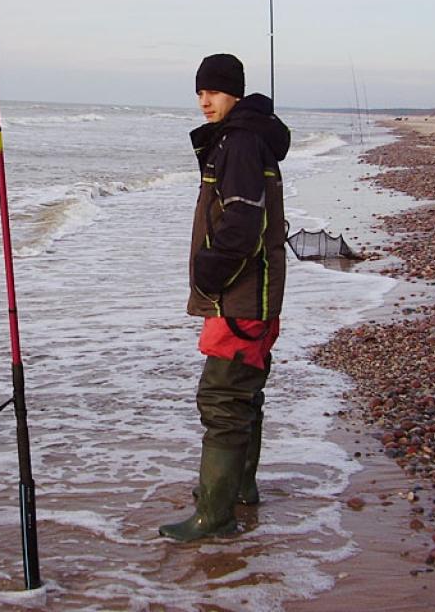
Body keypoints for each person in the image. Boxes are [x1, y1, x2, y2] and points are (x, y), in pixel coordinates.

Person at [158, 53, 291, 542]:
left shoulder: (238, 142)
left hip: (240, 299)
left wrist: (208, 275)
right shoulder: (251, 139)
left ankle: (214, 515)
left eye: (212, 91)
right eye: (199, 92)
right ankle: (239, 489)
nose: (204, 101)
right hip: (255, 297)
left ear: (234, 92)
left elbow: (241, 222)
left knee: (221, 398)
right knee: (245, 394)